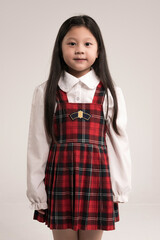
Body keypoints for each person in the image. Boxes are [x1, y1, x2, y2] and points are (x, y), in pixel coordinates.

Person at [26, 15, 132, 240]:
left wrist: (119, 187)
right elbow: (38, 144)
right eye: (72, 43)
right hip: (60, 177)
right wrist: (37, 192)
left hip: (97, 179)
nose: (79, 50)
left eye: (87, 43)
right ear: (60, 48)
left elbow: (118, 143)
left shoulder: (111, 93)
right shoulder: (45, 92)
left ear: (98, 51)